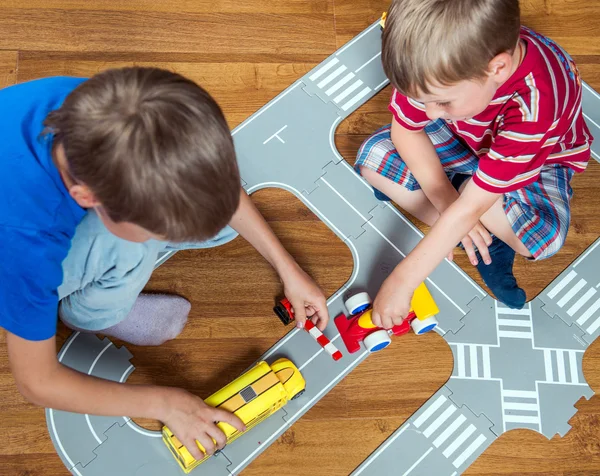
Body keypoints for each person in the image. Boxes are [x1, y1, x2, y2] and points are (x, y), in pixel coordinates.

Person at [0, 67, 330, 460]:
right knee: (130, 249)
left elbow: (211, 178)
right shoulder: (25, 245)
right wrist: (164, 404)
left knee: (208, 211)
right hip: (14, 246)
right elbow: (38, 382)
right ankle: (94, 311)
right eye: (151, 228)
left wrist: (287, 267)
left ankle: (139, 240)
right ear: (86, 197)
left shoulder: (112, 108)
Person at [355, 0, 593, 327]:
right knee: (372, 159)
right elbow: (406, 131)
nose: (430, 112)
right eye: (423, 100)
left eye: (440, 100)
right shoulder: (441, 64)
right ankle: (477, 234)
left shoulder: (536, 108)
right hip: (466, 138)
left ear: (498, 68)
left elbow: (470, 206)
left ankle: (474, 225)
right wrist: (445, 197)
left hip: (537, 161)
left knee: (544, 241)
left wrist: (402, 280)